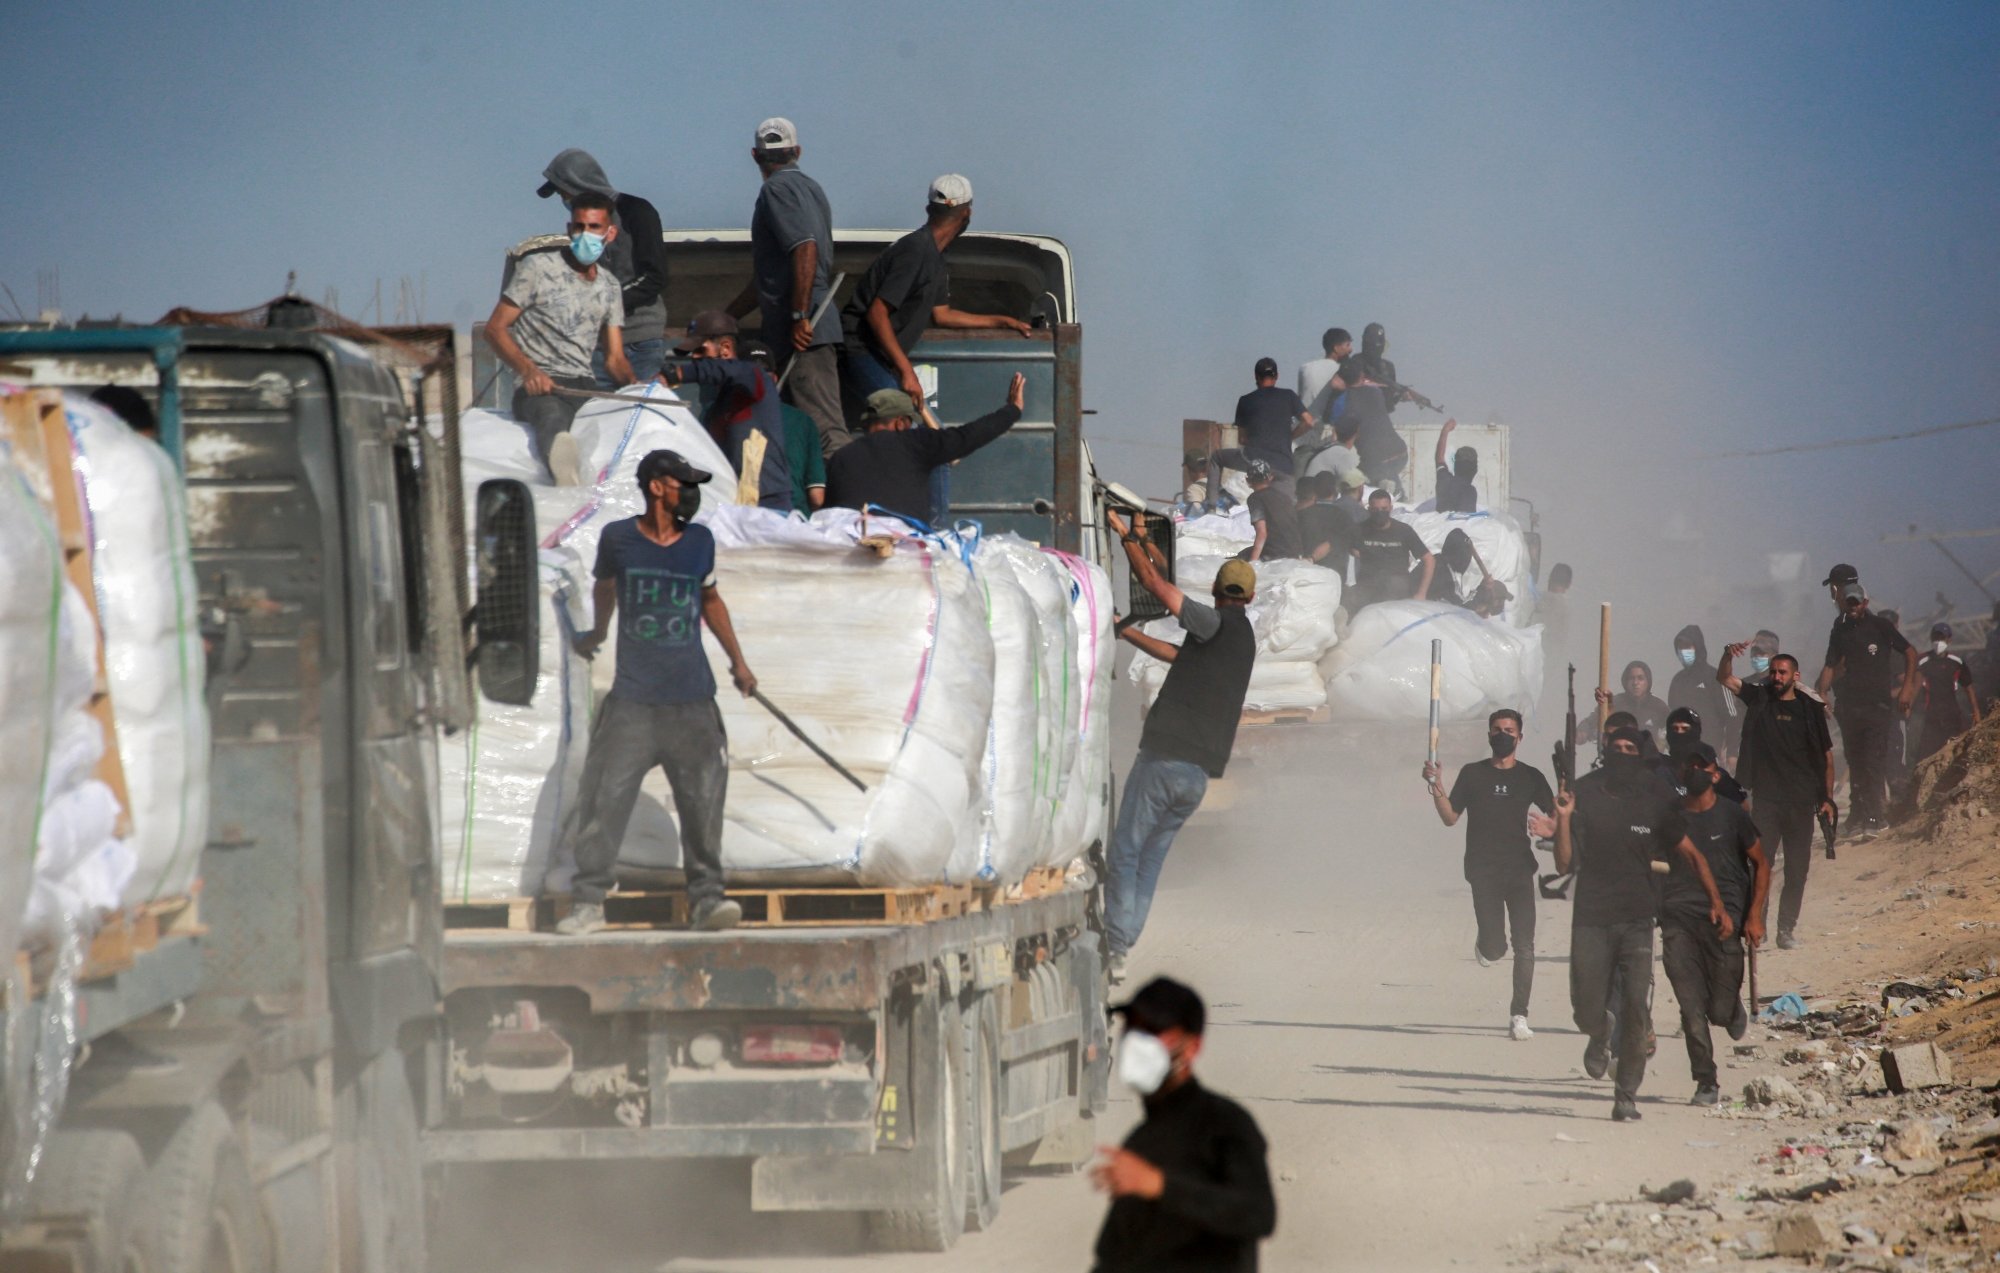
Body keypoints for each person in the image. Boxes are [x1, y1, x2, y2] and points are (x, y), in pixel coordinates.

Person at [559, 450, 757, 936]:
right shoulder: (619, 539)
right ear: (655, 487)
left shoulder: (699, 542)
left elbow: (710, 599)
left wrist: (739, 662)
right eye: (682, 483)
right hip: (633, 702)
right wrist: (597, 632)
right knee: (604, 798)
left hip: (692, 700)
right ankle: (588, 902)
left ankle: (707, 901)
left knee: (703, 804)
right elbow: (605, 588)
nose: (689, 492)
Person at [1102, 510, 1258, 981]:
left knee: (1125, 851)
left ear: (1214, 591)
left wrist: (1127, 536)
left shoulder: (1211, 622)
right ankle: (1123, 946)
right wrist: (1125, 630)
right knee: (1150, 857)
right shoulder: (1242, 638)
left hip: (1164, 760)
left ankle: (1116, 943)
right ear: (1251, 597)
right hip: (1196, 776)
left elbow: (1154, 583)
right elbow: (1175, 655)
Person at [1553, 726, 1731, 1121]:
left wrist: (1716, 902)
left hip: (1636, 919)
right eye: (1615, 747)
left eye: (1629, 748)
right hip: (1591, 918)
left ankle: (1626, 1095)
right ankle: (1600, 1031)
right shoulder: (1585, 794)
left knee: (1635, 1007)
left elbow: (1692, 855)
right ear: (1605, 752)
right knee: (1585, 1009)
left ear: (1640, 754)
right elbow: (1563, 864)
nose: (1622, 753)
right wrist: (1563, 818)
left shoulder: (1654, 802)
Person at [839, 174, 1031, 521]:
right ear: (967, 213)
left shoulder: (935, 258)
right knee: (932, 444)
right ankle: (934, 534)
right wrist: (906, 371)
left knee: (930, 444)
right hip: (861, 351)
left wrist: (1001, 320)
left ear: (930, 208)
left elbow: (942, 315)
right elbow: (876, 312)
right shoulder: (915, 251)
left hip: (880, 359)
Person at [1092, 977, 1276, 1272]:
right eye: (1133, 1028)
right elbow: (1115, 1257)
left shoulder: (1226, 1124)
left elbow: (1258, 1214)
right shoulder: (1141, 1141)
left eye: (1153, 1031)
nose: (1137, 1042)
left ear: (1192, 1047)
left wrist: (1159, 1185)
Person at [1422, 709, 1557, 1040]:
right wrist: (1436, 786)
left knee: (1525, 945)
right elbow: (1450, 817)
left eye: (1509, 730)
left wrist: (1552, 824)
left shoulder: (1531, 777)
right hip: (1483, 871)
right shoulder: (1473, 774)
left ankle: (1519, 1015)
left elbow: (1557, 815)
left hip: (1520, 870)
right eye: (1497, 729)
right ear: (1488, 735)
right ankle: (1486, 945)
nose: (1503, 735)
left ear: (1520, 737)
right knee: (1496, 948)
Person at [485, 192, 633, 486]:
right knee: (552, 419)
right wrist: (529, 371)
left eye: (594, 227)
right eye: (579, 227)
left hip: (585, 387)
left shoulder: (610, 286)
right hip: (542, 389)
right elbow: (495, 329)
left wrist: (638, 387)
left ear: (610, 233)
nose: (585, 235)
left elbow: (615, 359)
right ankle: (564, 476)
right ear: (569, 229)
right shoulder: (537, 268)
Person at [729, 117, 848, 455]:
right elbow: (768, 279)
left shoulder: (775, 190)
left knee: (824, 433)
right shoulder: (812, 189)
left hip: (803, 333)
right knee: (797, 436)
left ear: (755, 155)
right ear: (797, 151)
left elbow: (805, 247)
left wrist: (800, 316)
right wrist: (727, 317)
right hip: (798, 329)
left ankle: (852, 490)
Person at [1659, 754, 1768, 1105]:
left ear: (1716, 775)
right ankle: (1706, 1080)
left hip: (1726, 917)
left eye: (1701, 767)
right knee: (1691, 1007)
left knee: (1718, 1011)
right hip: (1679, 916)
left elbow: (1761, 863)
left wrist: (1754, 915)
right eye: (1688, 767)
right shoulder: (1670, 816)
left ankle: (1732, 1009)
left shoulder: (1732, 815)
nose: (1694, 773)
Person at [1719, 645, 1834, 950]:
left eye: (1783, 672)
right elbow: (1725, 678)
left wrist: (1827, 799)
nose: (1777, 677)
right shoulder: (1760, 698)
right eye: (1773, 672)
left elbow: (1826, 757)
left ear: (1796, 676)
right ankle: (1758, 922)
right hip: (1767, 801)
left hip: (1801, 803)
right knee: (1760, 865)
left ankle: (1786, 929)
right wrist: (1728, 655)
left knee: (1797, 870)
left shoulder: (1810, 710)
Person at [535, 149, 669, 386]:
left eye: (564, 192)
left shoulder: (635, 211)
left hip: (639, 342)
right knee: (596, 409)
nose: (564, 199)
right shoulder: (580, 230)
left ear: (579, 185)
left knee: (640, 407)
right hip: (596, 348)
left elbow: (654, 276)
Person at [824, 375, 1025, 522]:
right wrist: (1012, 410)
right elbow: (968, 436)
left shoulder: (841, 457)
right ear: (900, 423)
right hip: (904, 551)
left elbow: (829, 513)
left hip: (852, 551)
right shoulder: (914, 443)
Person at [658, 311, 793, 511]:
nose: (694, 358)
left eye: (700, 351)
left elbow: (729, 370)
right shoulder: (715, 409)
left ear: (726, 348)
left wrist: (677, 374)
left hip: (768, 506)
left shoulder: (754, 378)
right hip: (732, 508)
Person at [1815, 581, 1917, 834]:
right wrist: (1822, 692)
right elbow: (1830, 664)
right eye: (1848, 602)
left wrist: (1907, 689)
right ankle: (1859, 817)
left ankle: (1875, 818)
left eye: (1855, 602)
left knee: (1873, 761)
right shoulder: (1840, 630)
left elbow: (1911, 653)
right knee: (1856, 761)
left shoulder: (1881, 626)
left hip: (1877, 707)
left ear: (1864, 603)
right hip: (1850, 708)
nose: (1852, 606)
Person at [1207, 358, 1312, 509]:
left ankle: (1211, 507)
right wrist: (1290, 437)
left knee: (1216, 458)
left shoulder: (1245, 400)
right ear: (1277, 376)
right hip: (1283, 466)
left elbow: (1242, 438)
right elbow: (1309, 421)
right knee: (1286, 508)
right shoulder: (1289, 396)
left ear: (1256, 377)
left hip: (1253, 461)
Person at [742, 339, 826, 514]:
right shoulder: (803, 421)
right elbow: (817, 497)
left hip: (741, 518)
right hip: (792, 519)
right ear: (774, 378)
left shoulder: (719, 416)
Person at [1346, 489, 1434, 613]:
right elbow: (1344, 548)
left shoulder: (1403, 531)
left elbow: (1429, 560)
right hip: (1367, 590)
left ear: (1391, 508)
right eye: (1375, 509)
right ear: (1369, 509)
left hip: (1397, 592)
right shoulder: (1359, 530)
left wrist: (1421, 593)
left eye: (1384, 509)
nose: (1380, 513)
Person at [1913, 622, 1981, 763]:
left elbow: (1968, 687)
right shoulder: (1922, 661)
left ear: (1949, 639)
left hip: (1952, 714)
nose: (1938, 641)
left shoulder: (1956, 662)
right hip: (1931, 715)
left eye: (1942, 638)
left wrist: (1976, 711)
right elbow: (1913, 686)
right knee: (1925, 756)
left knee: (1955, 753)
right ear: (1931, 639)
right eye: (1936, 637)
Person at [1667, 626, 1730, 750]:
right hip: (1682, 748)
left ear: (1698, 647)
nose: (1683, 651)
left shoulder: (1715, 677)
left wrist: (1729, 748)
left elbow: (1730, 716)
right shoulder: (1677, 680)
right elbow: (1672, 713)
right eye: (1680, 648)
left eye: (1687, 647)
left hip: (1711, 747)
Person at [1240, 459, 1304, 562]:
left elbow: (1262, 533)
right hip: (1296, 552)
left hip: (1275, 553)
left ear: (1248, 481)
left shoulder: (1255, 498)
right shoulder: (1284, 497)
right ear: (1270, 477)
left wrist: (1252, 563)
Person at [1295, 472, 1353, 567]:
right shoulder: (1344, 516)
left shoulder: (1301, 514)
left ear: (1314, 491)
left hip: (1306, 568)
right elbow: (1354, 548)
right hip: (1335, 570)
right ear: (1335, 491)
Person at [1298, 326, 1353, 424]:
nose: (1351, 349)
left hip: (1304, 426)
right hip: (1328, 427)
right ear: (1336, 348)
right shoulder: (1343, 371)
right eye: (1347, 345)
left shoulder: (1305, 368)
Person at [1605, 661, 1669, 745]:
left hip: (1649, 752)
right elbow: (1593, 725)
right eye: (1631, 678)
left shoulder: (1658, 706)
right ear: (1625, 681)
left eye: (1640, 678)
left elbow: (1671, 733)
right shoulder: (1615, 702)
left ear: (1648, 681)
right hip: (1621, 751)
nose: (1635, 683)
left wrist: (1661, 744)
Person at [1432, 418, 1478, 512]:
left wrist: (1445, 431)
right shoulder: (1469, 491)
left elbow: (1439, 458)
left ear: (1455, 465)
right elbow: (1463, 517)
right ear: (1474, 470)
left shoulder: (1444, 480)